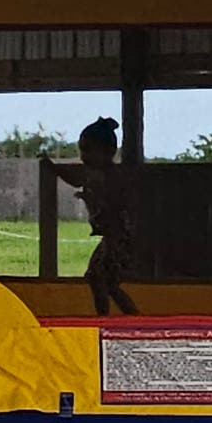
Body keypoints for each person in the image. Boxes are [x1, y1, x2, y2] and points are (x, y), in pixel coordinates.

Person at [51, 117, 140, 315]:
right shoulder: (98, 174)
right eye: (82, 150)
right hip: (113, 237)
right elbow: (77, 180)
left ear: (109, 152)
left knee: (100, 278)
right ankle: (120, 317)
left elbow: (81, 183)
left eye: (89, 150)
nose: (84, 156)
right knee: (103, 280)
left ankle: (114, 318)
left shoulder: (106, 175)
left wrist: (91, 198)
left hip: (118, 237)